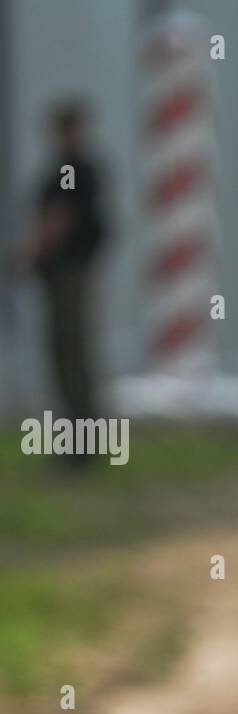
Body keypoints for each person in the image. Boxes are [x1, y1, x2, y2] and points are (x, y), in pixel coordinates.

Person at [11, 99, 110, 464]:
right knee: (72, 358)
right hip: (68, 274)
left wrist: (29, 255)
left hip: (68, 274)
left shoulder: (72, 170)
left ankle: (79, 450)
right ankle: (83, 447)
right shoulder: (82, 168)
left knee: (69, 357)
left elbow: (59, 219)